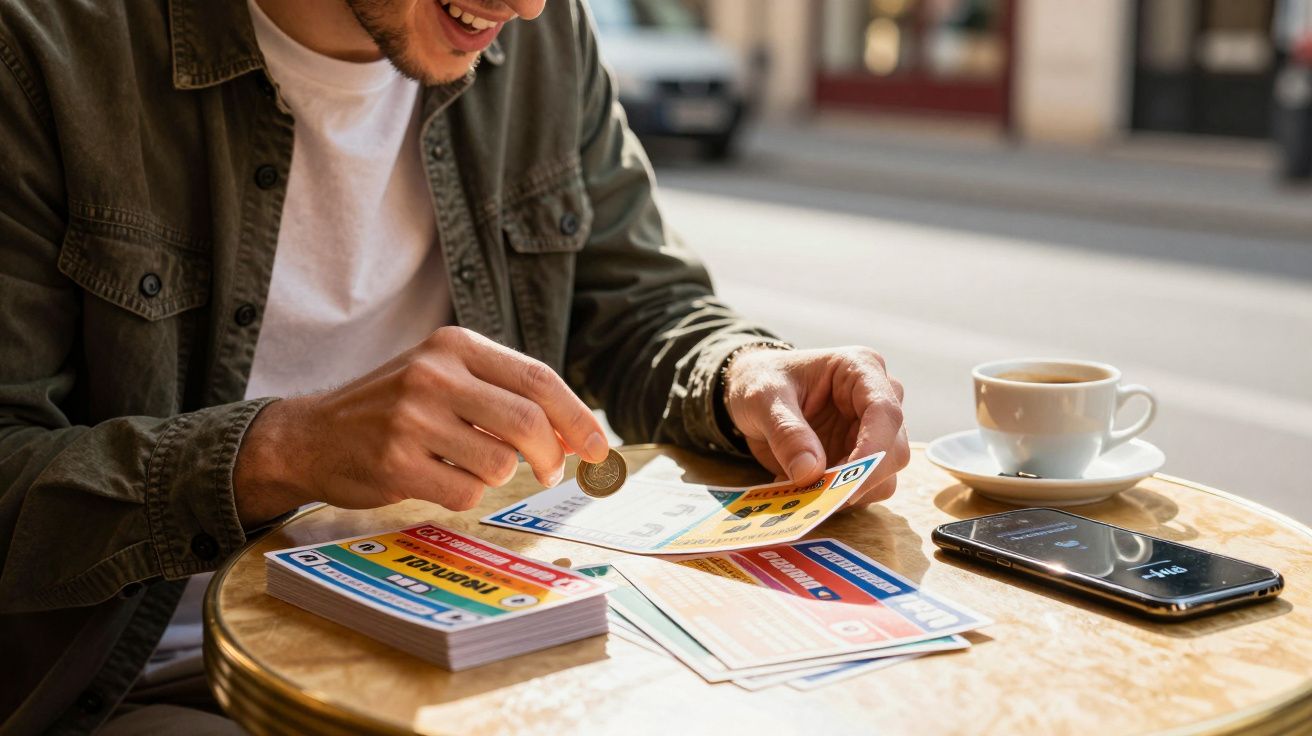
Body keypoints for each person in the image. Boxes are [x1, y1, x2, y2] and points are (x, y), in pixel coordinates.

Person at [0, 0, 908, 732]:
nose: (527, 5)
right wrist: (282, 450)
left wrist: (741, 372)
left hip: (491, 641)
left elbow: (636, 301)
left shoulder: (545, 39)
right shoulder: (42, 49)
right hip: (154, 680)